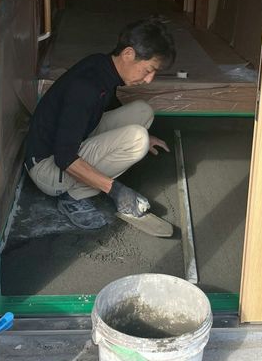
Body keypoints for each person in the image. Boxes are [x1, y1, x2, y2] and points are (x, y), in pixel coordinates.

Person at [24, 17, 176, 232]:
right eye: (148, 70)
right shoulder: (85, 88)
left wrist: (143, 136)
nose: (149, 79)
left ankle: (93, 176)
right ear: (128, 54)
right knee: (137, 139)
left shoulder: (102, 64)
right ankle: (73, 198)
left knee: (143, 111)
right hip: (48, 169)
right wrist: (116, 191)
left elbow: (107, 101)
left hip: (70, 142)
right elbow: (64, 157)